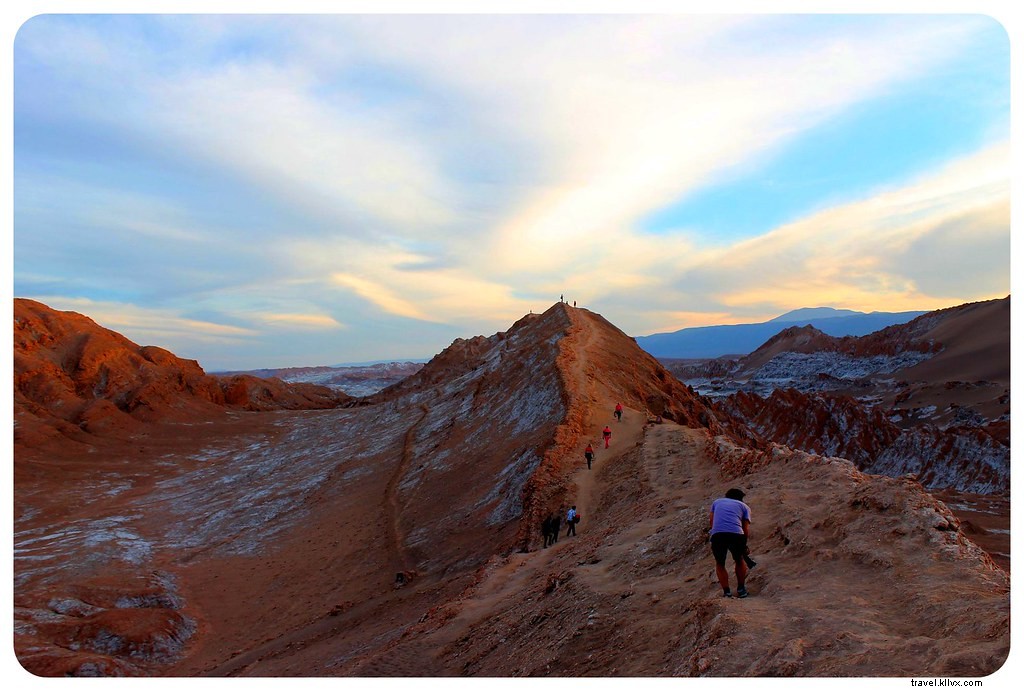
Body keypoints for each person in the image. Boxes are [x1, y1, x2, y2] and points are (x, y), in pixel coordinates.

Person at [709, 488, 752, 598]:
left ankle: (727, 592)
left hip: (718, 534)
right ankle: (741, 589)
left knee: (720, 563)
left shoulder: (717, 502)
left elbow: (712, 521)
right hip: (736, 534)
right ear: (741, 498)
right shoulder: (744, 507)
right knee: (739, 560)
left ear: (726, 496)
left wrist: (715, 533)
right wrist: (744, 544)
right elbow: (745, 528)